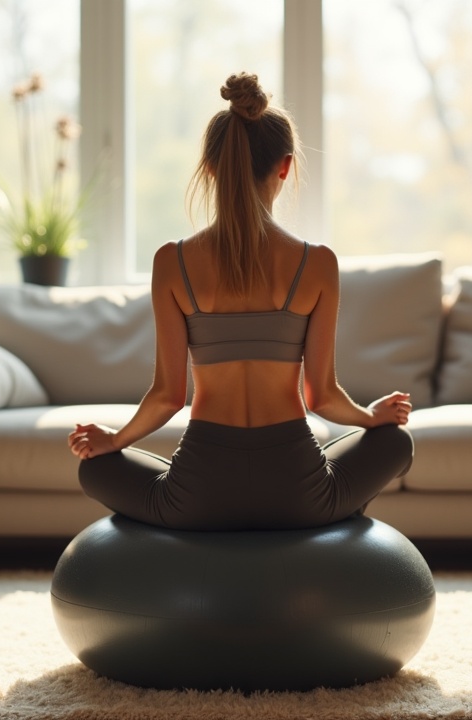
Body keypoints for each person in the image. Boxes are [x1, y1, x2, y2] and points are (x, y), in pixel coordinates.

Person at [67, 72, 413, 531]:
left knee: (95, 468)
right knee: (396, 444)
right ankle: (323, 524)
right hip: (300, 493)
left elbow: (169, 397)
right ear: (285, 166)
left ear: (210, 167)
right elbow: (322, 396)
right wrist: (372, 418)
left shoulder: (172, 262)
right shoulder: (318, 264)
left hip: (197, 497)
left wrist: (114, 440)